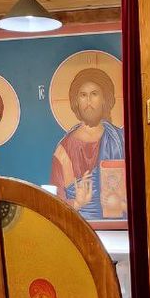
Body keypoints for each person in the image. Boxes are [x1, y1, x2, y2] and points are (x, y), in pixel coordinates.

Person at [50, 68, 125, 220]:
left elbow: (142, 191)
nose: (88, 101)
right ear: (76, 101)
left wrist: (121, 205)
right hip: (79, 227)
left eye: (94, 94)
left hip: (120, 227)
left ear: (105, 99)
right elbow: (55, 205)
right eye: (83, 95)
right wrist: (77, 203)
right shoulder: (64, 150)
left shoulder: (121, 140)